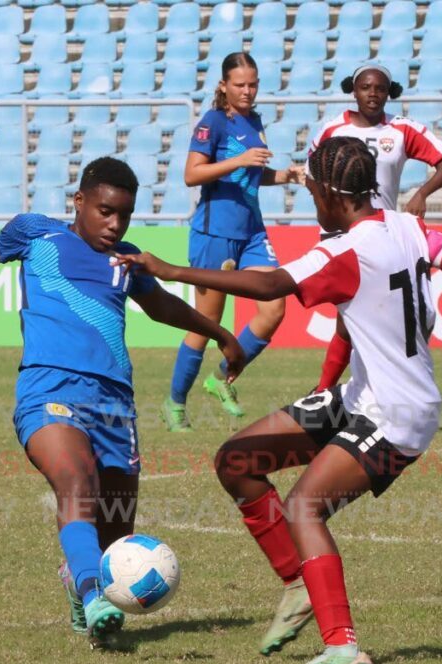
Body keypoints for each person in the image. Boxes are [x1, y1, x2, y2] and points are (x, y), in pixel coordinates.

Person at [116, 138, 442, 664]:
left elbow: (272, 282)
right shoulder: (405, 226)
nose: (308, 199)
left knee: (304, 507)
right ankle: (299, 580)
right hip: (362, 397)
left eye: (309, 190)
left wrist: (175, 272)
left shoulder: (346, 250)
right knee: (238, 460)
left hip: (397, 415)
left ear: (328, 193)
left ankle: (342, 647)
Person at [0, 158, 245, 645]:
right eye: (105, 211)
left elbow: (162, 304)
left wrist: (221, 335)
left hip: (115, 404)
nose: (114, 224)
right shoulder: (36, 234)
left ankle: (81, 582)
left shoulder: (126, 260)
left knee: (115, 534)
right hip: (49, 389)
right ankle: (90, 592)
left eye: (124, 215)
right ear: (79, 201)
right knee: (76, 483)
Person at [162, 51, 304, 432]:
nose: (247, 91)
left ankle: (222, 376)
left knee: (274, 308)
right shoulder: (212, 122)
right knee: (207, 322)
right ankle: (175, 403)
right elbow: (192, 175)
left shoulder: (254, 120)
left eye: (253, 84)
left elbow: (254, 174)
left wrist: (285, 176)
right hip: (215, 234)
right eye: (240, 84)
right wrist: (240, 161)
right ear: (224, 85)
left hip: (252, 232)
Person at [308, 63, 442, 391]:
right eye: (365, 88)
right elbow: (311, 175)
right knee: (350, 315)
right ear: (354, 90)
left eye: (379, 88)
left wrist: (420, 194)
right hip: (343, 232)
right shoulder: (332, 130)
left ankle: (330, 391)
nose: (372, 94)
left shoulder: (402, 130)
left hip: (384, 233)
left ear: (388, 93)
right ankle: (326, 391)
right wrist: (326, 211)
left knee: (370, 316)